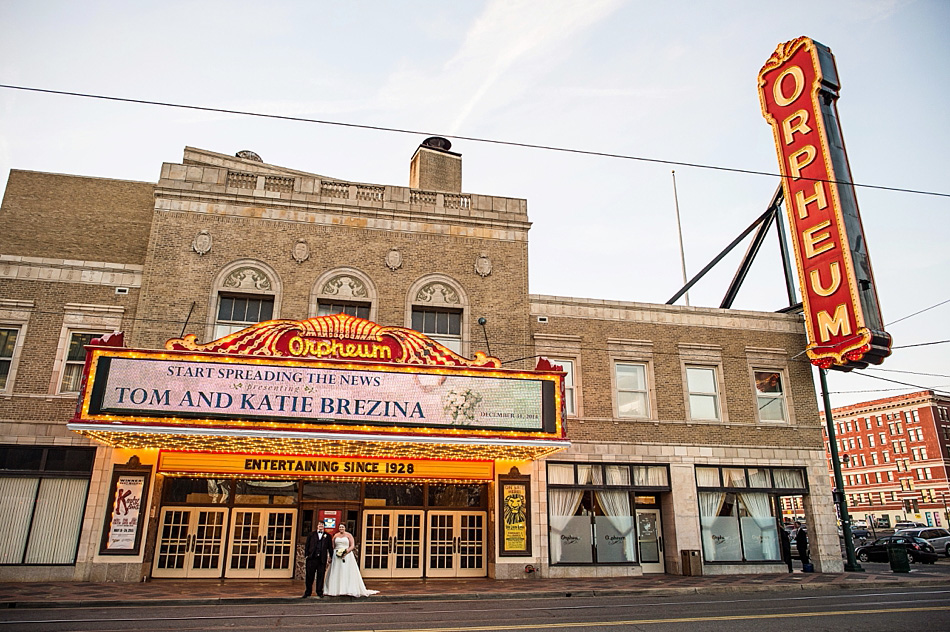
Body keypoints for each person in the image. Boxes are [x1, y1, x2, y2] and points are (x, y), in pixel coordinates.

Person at [324, 523, 379, 598]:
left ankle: (347, 589)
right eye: (340, 527)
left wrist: (346, 551)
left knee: (346, 571)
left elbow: (352, 545)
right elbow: (333, 546)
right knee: (337, 571)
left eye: (342, 527)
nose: (341, 528)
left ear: (345, 528)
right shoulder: (336, 536)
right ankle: (336, 589)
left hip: (347, 555)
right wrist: (331, 555)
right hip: (337, 555)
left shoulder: (349, 535)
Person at [302, 521, 332, 598]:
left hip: (322, 559)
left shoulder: (327, 536)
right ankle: (308, 591)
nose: (320, 526)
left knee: (320, 576)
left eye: (322, 525)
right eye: (319, 524)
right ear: (317, 526)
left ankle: (319, 591)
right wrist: (306, 555)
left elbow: (330, 547)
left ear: (324, 527)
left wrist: (331, 556)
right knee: (309, 576)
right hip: (312, 558)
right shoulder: (311, 535)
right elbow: (307, 545)